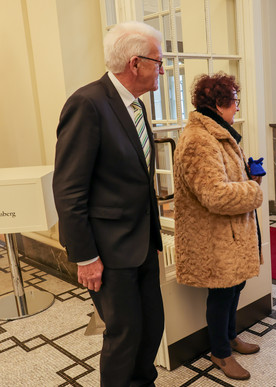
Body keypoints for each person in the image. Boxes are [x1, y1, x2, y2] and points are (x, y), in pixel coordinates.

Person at [52, 21, 165, 386]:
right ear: (136, 63)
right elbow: (69, 190)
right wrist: (85, 257)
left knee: (151, 326)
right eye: (158, 62)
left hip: (142, 243)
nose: (162, 69)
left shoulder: (135, 107)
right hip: (109, 252)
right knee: (124, 335)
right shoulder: (87, 104)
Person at [173, 72, 263, 381]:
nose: (237, 107)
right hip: (214, 236)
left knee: (234, 286)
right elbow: (214, 195)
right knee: (222, 294)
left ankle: (230, 337)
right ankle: (220, 352)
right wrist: (253, 188)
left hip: (229, 234)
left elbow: (223, 181)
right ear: (219, 103)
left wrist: (246, 175)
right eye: (235, 101)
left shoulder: (216, 132)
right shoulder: (198, 140)